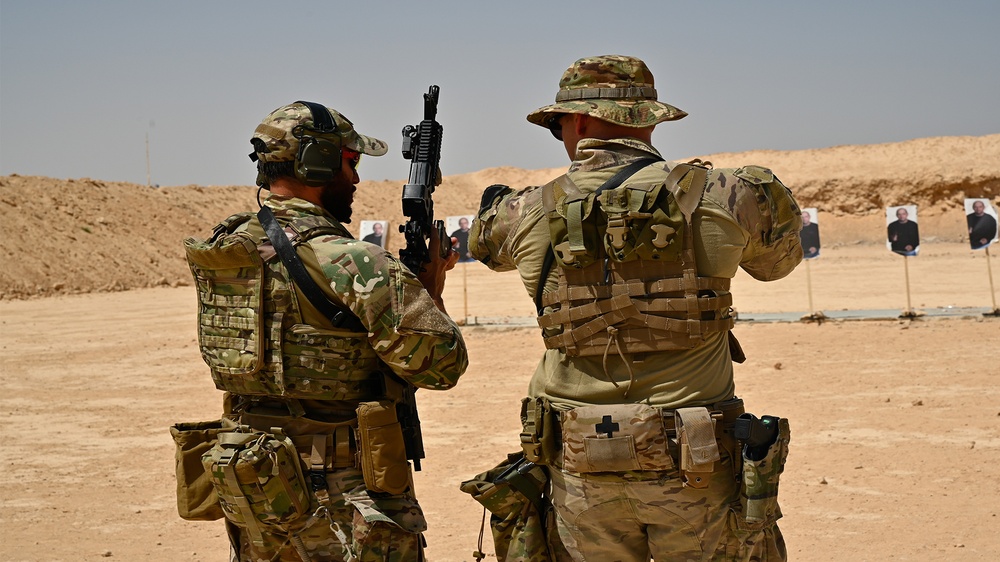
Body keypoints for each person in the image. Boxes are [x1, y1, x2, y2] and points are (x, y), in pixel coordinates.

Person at [468, 55, 801, 561]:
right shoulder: (731, 193)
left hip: (578, 462)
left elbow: (484, 246)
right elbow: (778, 263)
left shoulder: (522, 211)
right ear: (648, 119)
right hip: (697, 460)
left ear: (578, 122)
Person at [183, 101, 468, 561]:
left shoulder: (226, 250)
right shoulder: (353, 261)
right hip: (342, 499)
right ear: (317, 161)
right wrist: (430, 291)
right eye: (350, 162)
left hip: (258, 483)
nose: (355, 178)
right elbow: (441, 366)